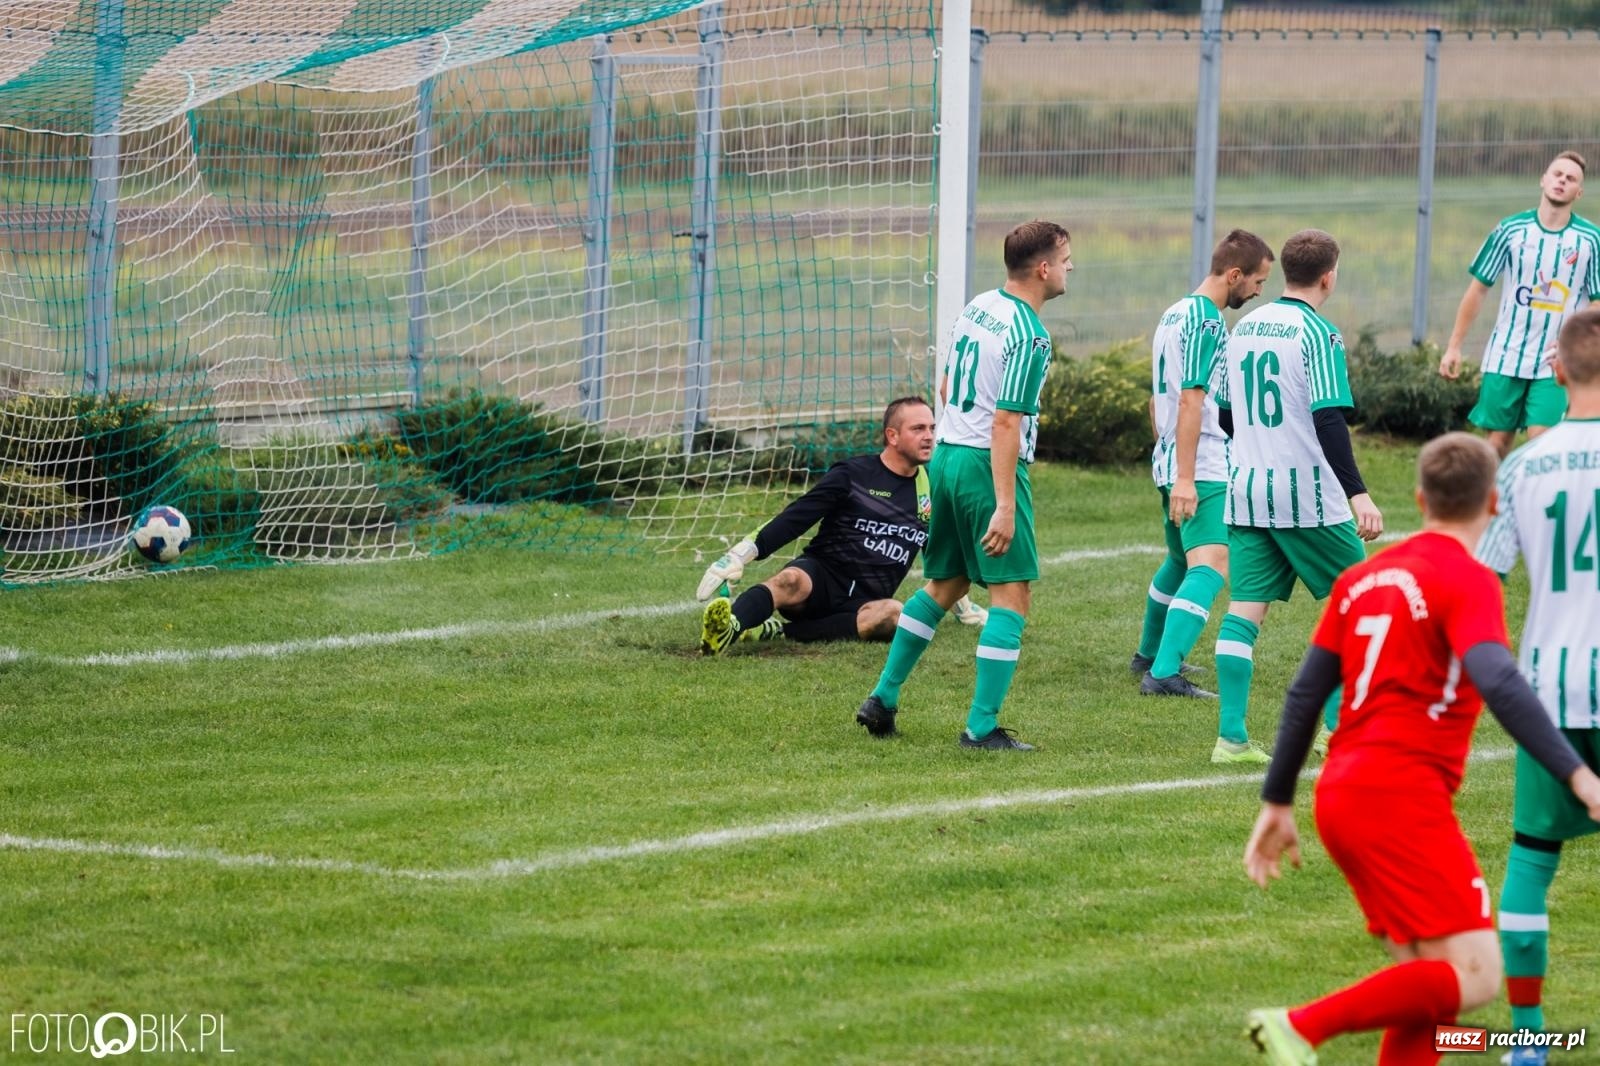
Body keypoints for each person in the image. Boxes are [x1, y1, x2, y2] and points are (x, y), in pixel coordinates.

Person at [1242, 432, 1600, 1066]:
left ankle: (1303, 1029)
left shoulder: (1361, 578)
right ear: (1493, 503)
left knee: (1430, 986)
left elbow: (1305, 694)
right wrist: (1578, 775)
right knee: (1476, 975)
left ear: (1419, 499)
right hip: (1397, 796)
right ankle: (1299, 1026)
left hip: (1341, 794)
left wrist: (1277, 802)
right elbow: (1498, 679)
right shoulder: (1468, 579)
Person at [853, 219, 1071, 749]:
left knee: (945, 585)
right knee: (1012, 596)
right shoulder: (1031, 335)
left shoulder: (978, 307)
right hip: (982, 465)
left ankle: (882, 698)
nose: (1071, 269)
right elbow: (1006, 422)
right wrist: (1004, 504)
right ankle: (981, 727)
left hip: (947, 455)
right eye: (1066, 261)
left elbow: (948, 387)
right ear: (1044, 268)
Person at [1476, 308, 1600, 1066]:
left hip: (1550, 692)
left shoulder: (1522, 466)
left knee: (1530, 858)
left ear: (1555, 373)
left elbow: (1478, 582)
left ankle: (1528, 1043)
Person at [1211, 229, 1383, 764]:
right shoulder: (1319, 333)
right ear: (1329, 276)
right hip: (1306, 497)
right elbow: (1328, 418)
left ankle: (1231, 739)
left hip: (1247, 491)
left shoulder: (1243, 327)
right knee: (1359, 603)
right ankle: (1337, 729)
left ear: (1286, 271)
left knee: (1244, 612)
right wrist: (1358, 495)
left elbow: (1225, 414)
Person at [696, 397, 987, 653]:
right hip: (819, 579)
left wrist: (961, 604)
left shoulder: (930, 487)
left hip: (867, 601)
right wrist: (739, 555)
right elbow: (796, 517)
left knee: (895, 615)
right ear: (892, 435)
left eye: (932, 428)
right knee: (788, 580)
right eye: (918, 429)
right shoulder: (853, 474)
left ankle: (779, 631)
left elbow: (940, 551)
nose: (929, 437)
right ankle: (729, 626)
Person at [1134, 229, 1275, 710]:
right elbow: (1191, 399)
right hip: (1203, 460)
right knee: (1212, 563)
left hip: (1172, 453)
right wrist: (1187, 476)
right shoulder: (1208, 322)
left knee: (1179, 560)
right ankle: (1163, 673)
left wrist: (1168, 454)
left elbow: (1157, 398)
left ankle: (1149, 653)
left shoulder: (1174, 312)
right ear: (1234, 275)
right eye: (1257, 281)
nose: (1258, 292)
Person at [1438, 151, 1600, 459]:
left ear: (1579, 192)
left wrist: (1573, 341)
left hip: (1555, 360)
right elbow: (1478, 290)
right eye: (1557, 174)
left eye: (1570, 179)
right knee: (1496, 446)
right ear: (1543, 179)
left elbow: (1598, 303)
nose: (1562, 181)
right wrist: (1454, 346)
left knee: (1543, 444)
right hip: (1505, 355)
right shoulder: (1510, 230)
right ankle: (1498, 493)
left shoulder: (1591, 239)